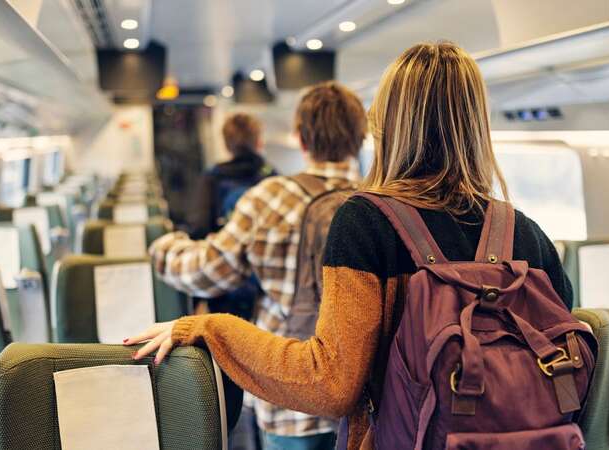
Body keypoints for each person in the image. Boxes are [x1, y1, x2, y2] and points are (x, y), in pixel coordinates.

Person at [126, 43, 572, 449]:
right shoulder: (527, 234)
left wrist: (210, 328)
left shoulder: (367, 222)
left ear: (387, 124)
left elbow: (331, 384)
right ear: (479, 124)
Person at [136, 82, 367, 449]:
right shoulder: (379, 201)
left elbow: (205, 273)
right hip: (365, 402)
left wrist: (164, 245)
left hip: (290, 393)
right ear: (361, 136)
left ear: (301, 138)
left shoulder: (271, 198)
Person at [188, 113, 276, 322]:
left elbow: (200, 228)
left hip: (224, 279)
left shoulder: (212, 177)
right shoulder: (272, 177)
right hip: (264, 279)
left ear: (227, 144)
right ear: (258, 141)